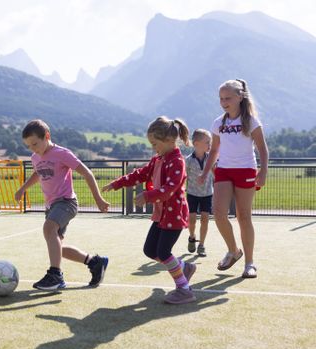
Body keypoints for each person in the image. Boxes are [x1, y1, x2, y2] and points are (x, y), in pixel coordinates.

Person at [103, 116, 196, 304]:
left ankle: (184, 289)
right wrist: (118, 183)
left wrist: (147, 195)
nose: (154, 148)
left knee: (163, 252)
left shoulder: (177, 162)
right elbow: (141, 174)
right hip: (161, 214)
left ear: (170, 141)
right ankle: (183, 267)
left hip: (174, 215)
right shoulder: (158, 159)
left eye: (155, 144)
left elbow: (169, 189)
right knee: (149, 250)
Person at [14, 119, 110, 291]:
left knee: (48, 229)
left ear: (47, 136)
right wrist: (22, 189)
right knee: (57, 247)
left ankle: (55, 275)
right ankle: (95, 262)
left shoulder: (62, 154)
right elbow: (37, 174)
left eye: (35, 143)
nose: (33, 148)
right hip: (51, 206)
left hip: (66, 202)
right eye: (28, 146)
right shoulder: (35, 157)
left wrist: (98, 199)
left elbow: (87, 173)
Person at [198, 79, 268, 279]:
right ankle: (234, 251)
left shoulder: (251, 121)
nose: (224, 102)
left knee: (243, 216)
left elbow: (263, 149)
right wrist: (205, 172)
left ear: (240, 97)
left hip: (246, 170)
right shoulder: (218, 123)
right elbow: (214, 151)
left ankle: (249, 263)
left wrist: (262, 172)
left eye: (228, 98)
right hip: (224, 170)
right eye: (221, 98)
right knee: (219, 214)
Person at [185, 129, 213, 257]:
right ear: (196, 143)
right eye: (207, 142)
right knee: (192, 220)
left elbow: (217, 173)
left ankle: (201, 245)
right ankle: (192, 237)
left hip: (207, 194)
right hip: (192, 194)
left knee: (205, 220)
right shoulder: (188, 160)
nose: (210, 145)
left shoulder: (212, 159)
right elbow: (183, 177)